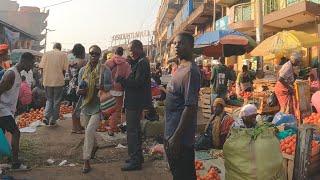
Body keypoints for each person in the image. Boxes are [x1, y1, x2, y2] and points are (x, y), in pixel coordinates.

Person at [164, 33, 200, 180]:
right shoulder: (180, 67)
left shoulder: (190, 71)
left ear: (191, 46)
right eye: (175, 43)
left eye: (181, 43)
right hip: (171, 132)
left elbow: (190, 108)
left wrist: (176, 138)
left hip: (181, 139)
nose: (177, 46)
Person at [116, 40, 151, 171]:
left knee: (132, 132)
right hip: (134, 101)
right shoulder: (140, 62)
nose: (130, 51)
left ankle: (135, 161)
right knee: (135, 131)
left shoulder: (143, 62)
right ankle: (137, 157)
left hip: (135, 102)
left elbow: (137, 83)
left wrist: (123, 81)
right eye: (129, 49)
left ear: (139, 48)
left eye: (131, 49)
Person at [77, 45, 112, 173]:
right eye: (92, 53)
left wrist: (102, 86)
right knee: (88, 131)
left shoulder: (105, 70)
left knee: (89, 130)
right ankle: (95, 146)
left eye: (97, 54)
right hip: (86, 105)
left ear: (100, 55)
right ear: (89, 54)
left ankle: (86, 161)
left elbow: (110, 86)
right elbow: (78, 88)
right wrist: (80, 90)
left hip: (99, 105)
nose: (94, 56)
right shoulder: (82, 71)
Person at [0, 52, 34, 170]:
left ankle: (8, 159)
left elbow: (11, 93)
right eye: (32, 64)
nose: (32, 67)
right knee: (15, 132)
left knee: (4, 134)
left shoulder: (17, 74)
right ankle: (15, 163)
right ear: (25, 61)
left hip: (6, 110)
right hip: (2, 110)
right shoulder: (11, 74)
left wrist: (19, 104)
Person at [39, 43, 69, 126]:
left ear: (53, 47)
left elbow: (41, 67)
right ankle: (53, 119)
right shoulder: (63, 55)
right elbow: (64, 69)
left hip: (47, 81)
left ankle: (46, 117)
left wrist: (43, 78)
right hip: (58, 81)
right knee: (57, 100)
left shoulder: (46, 54)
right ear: (60, 48)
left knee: (49, 99)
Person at [105, 47, 131, 135]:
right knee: (116, 110)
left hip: (108, 89)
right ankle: (112, 128)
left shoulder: (108, 62)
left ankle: (109, 126)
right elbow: (128, 78)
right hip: (119, 91)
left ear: (114, 52)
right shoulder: (126, 64)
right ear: (122, 53)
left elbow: (103, 75)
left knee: (107, 108)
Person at [69, 43, 86, 134]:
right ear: (82, 51)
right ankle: (75, 128)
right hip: (79, 87)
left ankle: (77, 125)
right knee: (77, 108)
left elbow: (70, 74)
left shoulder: (72, 62)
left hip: (73, 87)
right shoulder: (83, 62)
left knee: (75, 107)